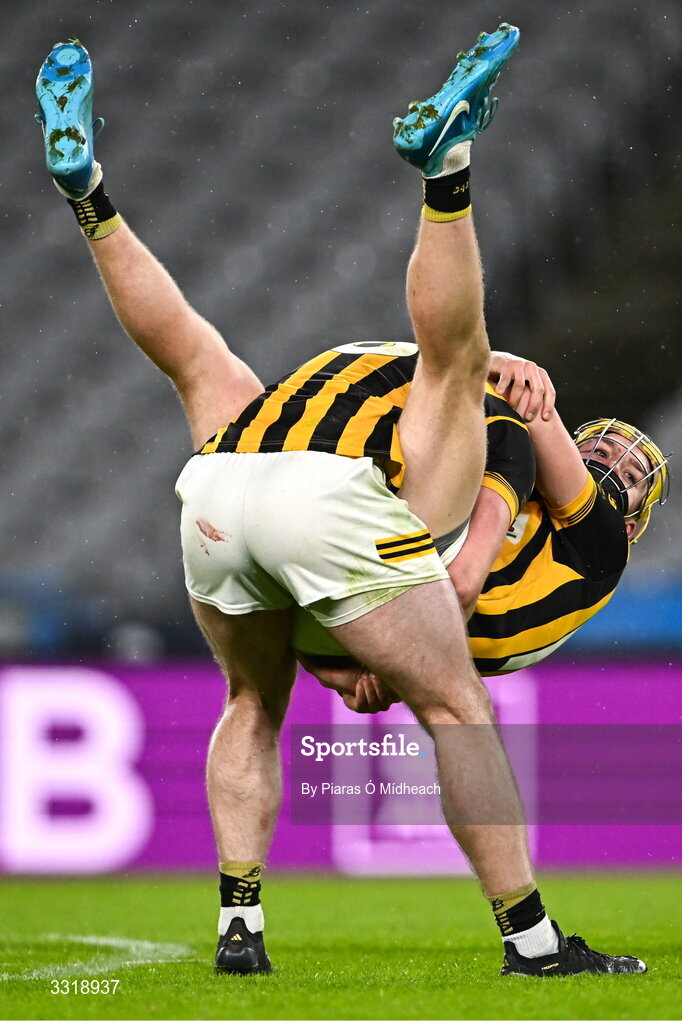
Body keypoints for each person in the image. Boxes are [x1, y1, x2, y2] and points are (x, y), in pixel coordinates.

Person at [36, 27, 649, 976]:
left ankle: (90, 198)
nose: (615, 462)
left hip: (230, 491)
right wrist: (443, 586)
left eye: (629, 465)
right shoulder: (509, 453)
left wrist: (379, 638)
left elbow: (524, 454)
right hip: (339, 522)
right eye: (613, 449)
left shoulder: (594, 539)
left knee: (206, 370)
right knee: (457, 703)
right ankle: (532, 943)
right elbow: (509, 455)